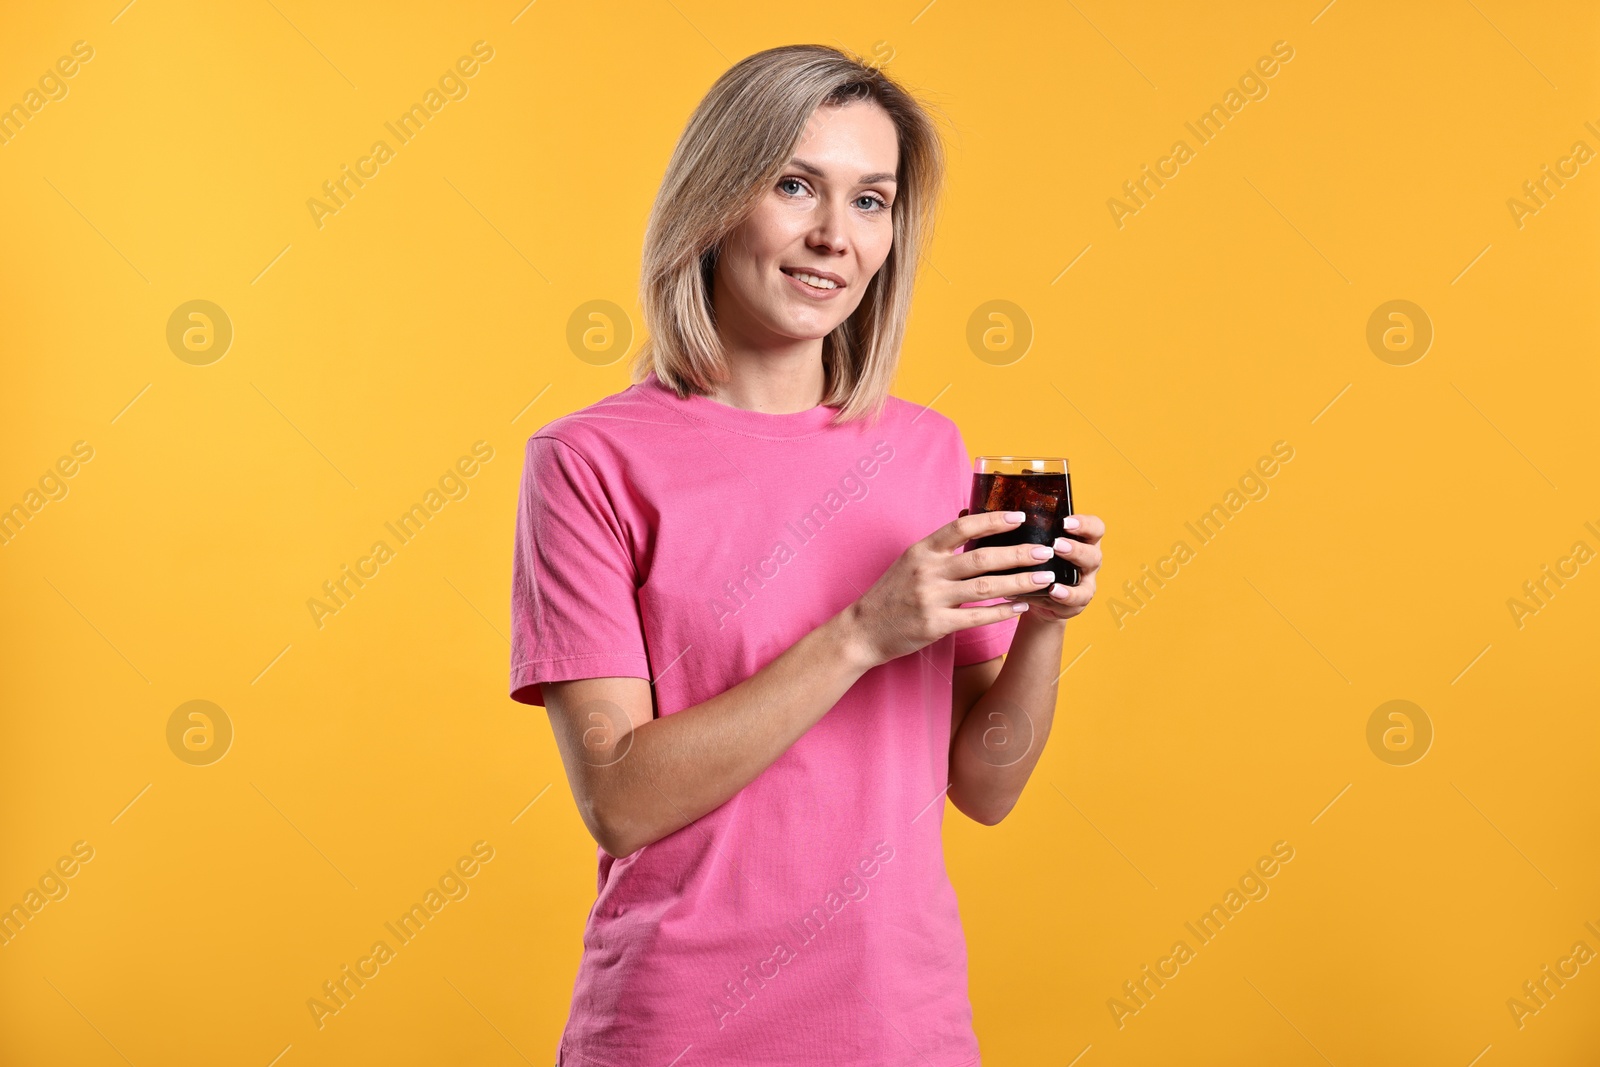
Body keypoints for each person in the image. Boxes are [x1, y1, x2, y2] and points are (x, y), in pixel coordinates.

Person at [509, 43, 1104, 1067]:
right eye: (795, 186)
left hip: (899, 1022)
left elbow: (986, 785)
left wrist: (1045, 627)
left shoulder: (928, 450)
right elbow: (620, 798)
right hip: (674, 1025)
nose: (834, 235)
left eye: (871, 201)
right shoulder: (590, 461)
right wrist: (862, 633)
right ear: (715, 199)